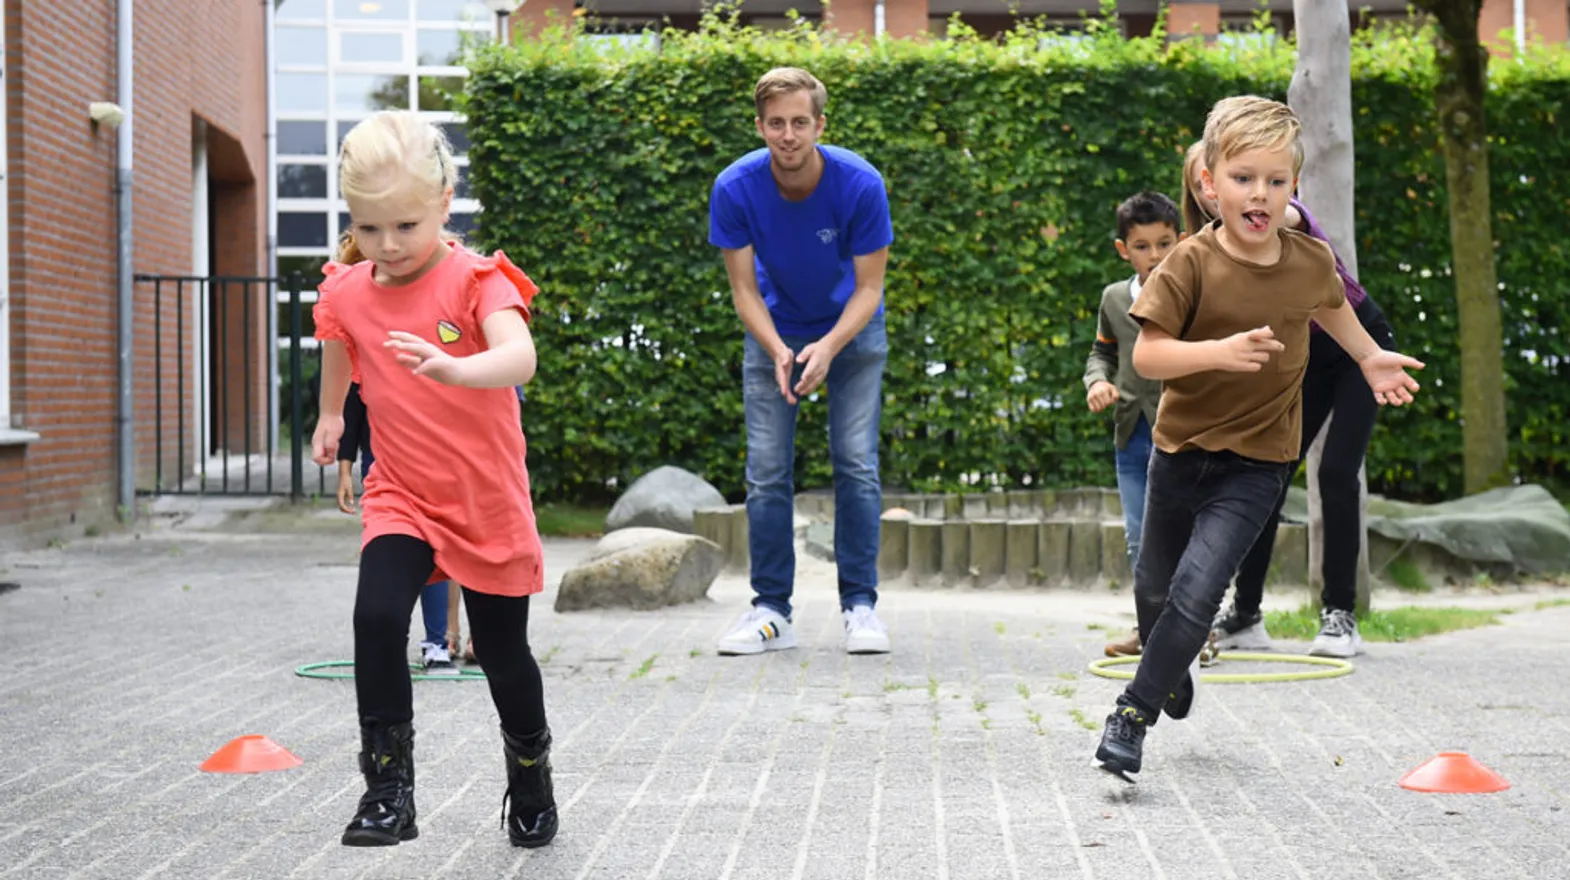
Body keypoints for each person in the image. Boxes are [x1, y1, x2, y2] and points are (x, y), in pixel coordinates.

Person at [1094, 96, 1424, 782]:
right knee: (1154, 594)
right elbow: (1150, 358)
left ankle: (1132, 713)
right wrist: (1216, 352)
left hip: (1259, 462)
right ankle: (1168, 664)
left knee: (1197, 590)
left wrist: (1368, 357)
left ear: (1293, 189)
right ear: (1209, 184)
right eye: (1244, 178)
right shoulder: (1189, 262)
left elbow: (1333, 309)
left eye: (1276, 181)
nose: (1260, 194)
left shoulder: (1308, 261)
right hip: (1180, 452)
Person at [310, 110, 557, 848]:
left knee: (503, 654)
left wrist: (458, 367)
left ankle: (530, 770)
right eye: (370, 227)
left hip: (484, 500)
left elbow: (520, 357)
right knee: (378, 618)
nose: (388, 246)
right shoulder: (352, 285)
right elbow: (337, 340)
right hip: (403, 493)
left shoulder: (478, 280)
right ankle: (388, 791)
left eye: (407, 227)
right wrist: (330, 416)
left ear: (446, 202)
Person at [1182, 141, 1398, 658]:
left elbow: (1288, 220)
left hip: (1359, 346)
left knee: (1336, 473)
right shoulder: (1206, 250)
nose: (1222, 197)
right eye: (1203, 187)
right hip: (1304, 360)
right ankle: (1246, 615)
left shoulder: (1281, 217)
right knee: (1266, 475)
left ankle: (1340, 616)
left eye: (1255, 182)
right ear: (1200, 191)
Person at [707, 67, 894, 656]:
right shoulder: (735, 186)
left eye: (799, 122)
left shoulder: (860, 183)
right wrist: (778, 349)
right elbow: (743, 290)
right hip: (775, 335)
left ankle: (860, 607)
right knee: (766, 471)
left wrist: (829, 347)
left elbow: (869, 290)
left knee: (855, 464)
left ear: (820, 124)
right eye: (776, 123)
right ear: (761, 126)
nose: (788, 135)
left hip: (853, 334)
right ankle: (771, 611)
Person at [1084, 192, 1177, 660]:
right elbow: (1102, 353)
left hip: (1183, 435)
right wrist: (1096, 383)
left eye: (1165, 244)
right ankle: (1149, 629)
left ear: (1181, 242)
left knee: (1183, 534)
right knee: (1140, 537)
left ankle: (1195, 632)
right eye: (1143, 246)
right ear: (1124, 250)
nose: (1155, 256)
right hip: (1131, 435)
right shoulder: (1114, 299)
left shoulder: (1192, 295)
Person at [336, 381, 457, 673]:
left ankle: (437, 643)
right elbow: (351, 414)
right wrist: (344, 472)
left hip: (431, 459)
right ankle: (384, 645)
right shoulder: (366, 355)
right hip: (380, 465)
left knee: (433, 549)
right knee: (386, 553)